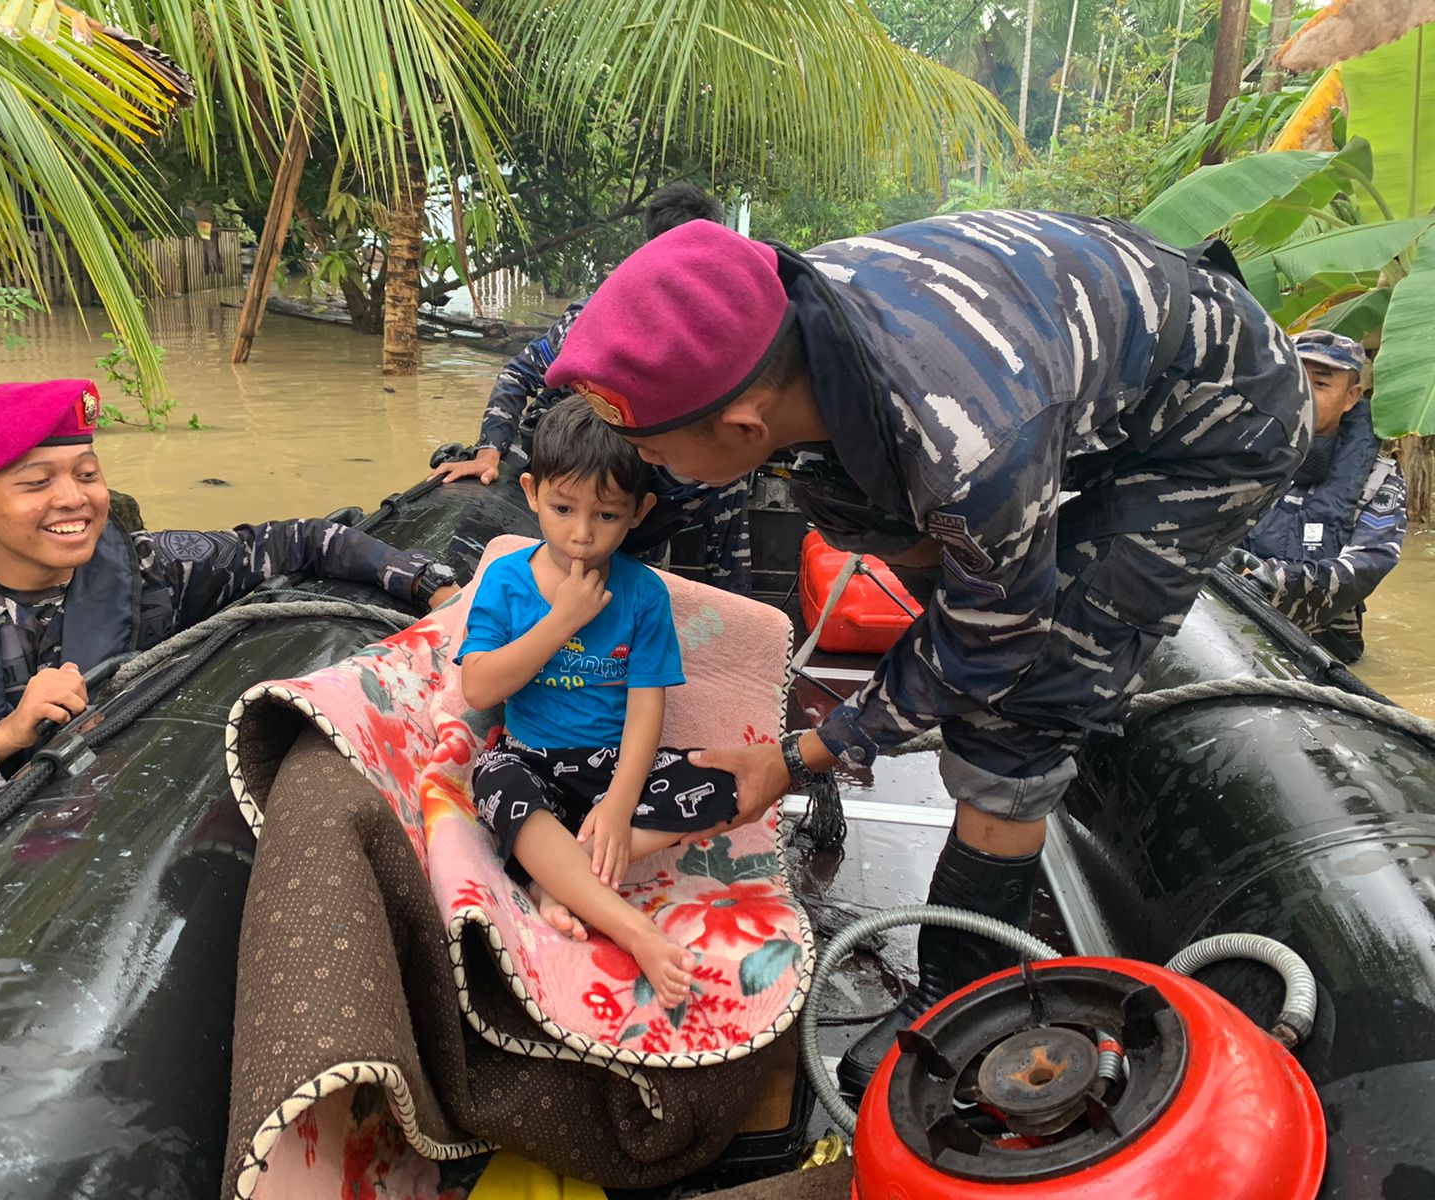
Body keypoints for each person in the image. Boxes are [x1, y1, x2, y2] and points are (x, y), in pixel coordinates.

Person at [541, 214, 1312, 1092]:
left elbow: (999, 633)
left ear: (748, 426)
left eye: (654, 452)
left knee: (1023, 697)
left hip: (1212, 422)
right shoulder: (791, 327)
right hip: (1054, 373)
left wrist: (800, 756)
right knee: (876, 525)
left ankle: (968, 992)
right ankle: (982, 613)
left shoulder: (968, 448)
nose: (652, 468)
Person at [0, 378, 461, 844]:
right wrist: (1, 741)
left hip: (132, 827)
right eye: (36, 484)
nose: (72, 499)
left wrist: (429, 587)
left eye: (86, 473)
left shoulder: (151, 569)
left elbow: (303, 541)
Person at [457, 398, 738, 1006]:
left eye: (606, 515)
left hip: (615, 767)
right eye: (563, 509)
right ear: (530, 493)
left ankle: (555, 877)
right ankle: (634, 930)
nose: (581, 534)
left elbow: (645, 709)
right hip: (533, 760)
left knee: (727, 784)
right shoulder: (506, 581)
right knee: (492, 775)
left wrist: (619, 802)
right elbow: (478, 688)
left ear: (639, 512)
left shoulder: (643, 594)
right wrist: (562, 622)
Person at [429, 182, 754, 594]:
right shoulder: (600, 316)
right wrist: (489, 452)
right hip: (578, 454)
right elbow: (519, 373)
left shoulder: (722, 333)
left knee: (730, 470)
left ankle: (715, 603)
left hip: (644, 482)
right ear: (652, 254)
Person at [1230, 330, 1405, 663]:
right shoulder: (1238, 448)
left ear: (1351, 396)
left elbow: (1369, 562)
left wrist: (1273, 580)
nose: (1304, 394)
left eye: (1321, 385)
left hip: (1324, 646)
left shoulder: (1379, 476)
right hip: (1233, 621)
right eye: (1296, 378)